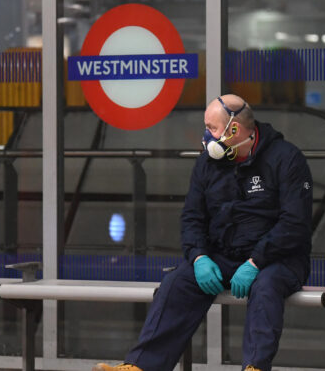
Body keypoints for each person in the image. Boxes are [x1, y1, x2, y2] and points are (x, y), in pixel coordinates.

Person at [94, 94, 313, 371]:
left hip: (277, 260)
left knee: (266, 287)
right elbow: (192, 217)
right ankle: (141, 366)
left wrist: (256, 261)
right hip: (223, 256)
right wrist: (198, 257)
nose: (205, 135)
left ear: (234, 129)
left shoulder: (286, 158)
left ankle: (254, 367)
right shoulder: (208, 164)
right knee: (177, 283)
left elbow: (295, 223)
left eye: (211, 128)